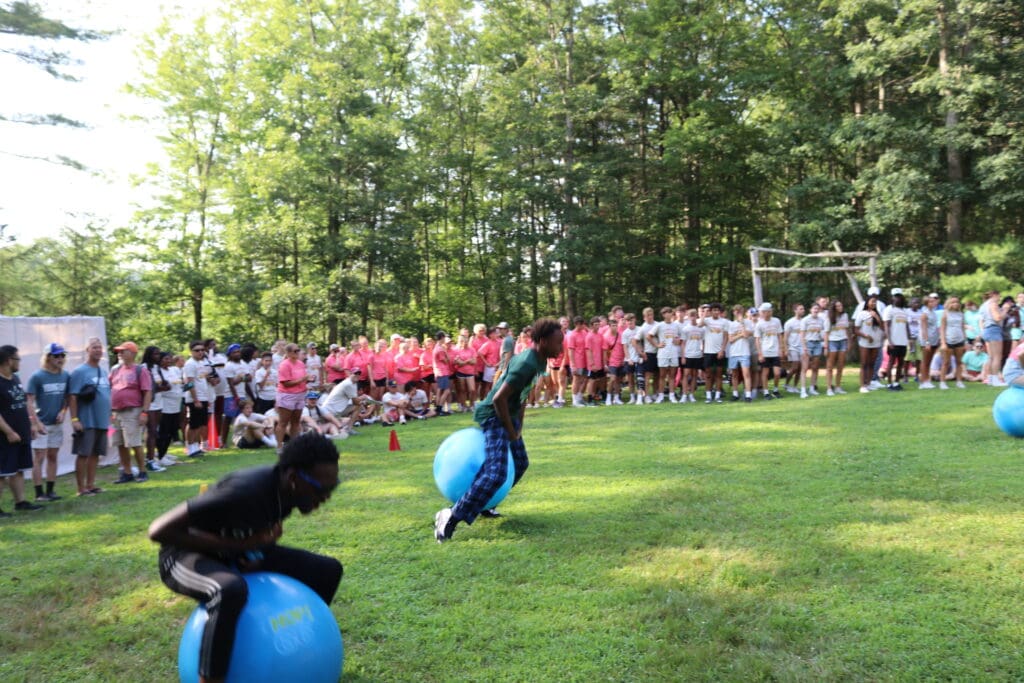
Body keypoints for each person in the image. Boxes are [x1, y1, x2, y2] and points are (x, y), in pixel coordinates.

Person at [149, 432, 343, 683]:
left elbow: (252, 534)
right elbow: (159, 530)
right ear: (294, 478)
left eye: (333, 487)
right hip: (183, 556)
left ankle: (309, 649)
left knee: (328, 570)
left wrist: (257, 550)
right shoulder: (244, 490)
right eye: (322, 489)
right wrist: (240, 545)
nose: (326, 497)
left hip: (239, 552)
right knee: (229, 590)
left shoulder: (289, 493)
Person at [434, 318, 564, 542]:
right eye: (557, 342)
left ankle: (485, 503)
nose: (561, 347)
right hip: (494, 416)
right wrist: (510, 429)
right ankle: (450, 516)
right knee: (496, 473)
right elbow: (498, 398)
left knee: (520, 463)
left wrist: (519, 423)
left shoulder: (539, 360)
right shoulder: (527, 363)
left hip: (508, 416)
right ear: (542, 341)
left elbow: (522, 394)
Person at [0, 345, 44, 515]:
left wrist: (32, 424)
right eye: (17, 359)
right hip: (6, 435)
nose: (19, 363)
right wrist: (8, 432)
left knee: (18, 469)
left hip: (22, 432)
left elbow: (24, 403)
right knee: (2, 472)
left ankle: (21, 502)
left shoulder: (15, 379)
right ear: (8, 360)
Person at [26, 343, 70, 501]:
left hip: (56, 424)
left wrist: (63, 412)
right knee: (39, 456)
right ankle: (39, 493)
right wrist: (35, 422)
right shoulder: (37, 376)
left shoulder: (65, 375)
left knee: (53, 455)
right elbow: (29, 402)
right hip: (42, 424)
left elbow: (67, 398)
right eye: (56, 356)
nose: (60, 359)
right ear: (48, 357)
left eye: (62, 355)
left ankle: (51, 490)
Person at [109, 341, 156, 483]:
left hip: (133, 411)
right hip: (115, 412)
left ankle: (142, 471)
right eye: (119, 351)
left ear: (133, 353)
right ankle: (127, 472)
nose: (120, 354)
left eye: (123, 351)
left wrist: (144, 412)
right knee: (119, 443)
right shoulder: (115, 369)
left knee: (134, 443)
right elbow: (110, 387)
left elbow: (147, 392)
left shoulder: (140, 370)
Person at [68, 337, 110, 496]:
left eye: (99, 347)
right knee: (83, 453)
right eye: (94, 347)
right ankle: (81, 489)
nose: (98, 350)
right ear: (87, 350)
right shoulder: (80, 371)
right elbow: (72, 396)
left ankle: (91, 485)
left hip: (102, 420)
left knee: (96, 453)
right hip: (87, 420)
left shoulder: (103, 371)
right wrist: (74, 419)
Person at [275, 343, 308, 449]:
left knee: (296, 421)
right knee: (283, 422)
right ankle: (279, 447)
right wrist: (302, 379)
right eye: (295, 351)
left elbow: (302, 378)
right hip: (287, 395)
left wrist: (308, 379)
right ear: (288, 353)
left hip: (300, 394)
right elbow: (286, 383)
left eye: (298, 350)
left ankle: (294, 446)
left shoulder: (300, 364)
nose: (298, 352)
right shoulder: (284, 365)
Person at [183, 341, 212, 458]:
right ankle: (190, 448)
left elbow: (202, 381)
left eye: (202, 350)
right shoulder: (190, 364)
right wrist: (196, 400)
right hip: (195, 398)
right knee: (194, 424)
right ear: (191, 352)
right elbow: (190, 383)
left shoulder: (201, 363)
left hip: (203, 397)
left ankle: (196, 446)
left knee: (200, 423)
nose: (200, 352)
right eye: (197, 350)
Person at [154, 352, 183, 467]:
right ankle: (160, 454)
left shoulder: (173, 370)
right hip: (165, 404)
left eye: (170, 358)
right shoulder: (158, 371)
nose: (169, 360)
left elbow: (179, 382)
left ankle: (164, 452)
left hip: (176, 403)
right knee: (164, 431)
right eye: (166, 359)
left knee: (172, 430)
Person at [855, 295, 884, 393]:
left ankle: (869, 383)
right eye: (872, 301)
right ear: (867, 303)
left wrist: (876, 317)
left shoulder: (877, 314)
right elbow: (856, 330)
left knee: (872, 364)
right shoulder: (862, 314)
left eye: (875, 302)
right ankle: (862, 385)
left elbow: (883, 327)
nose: (873, 303)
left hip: (876, 342)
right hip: (865, 342)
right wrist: (866, 336)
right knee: (864, 363)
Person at [754, 302, 783, 399]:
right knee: (765, 373)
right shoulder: (759, 324)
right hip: (765, 352)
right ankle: (766, 392)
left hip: (775, 352)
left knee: (777, 373)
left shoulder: (776, 321)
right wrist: (760, 354)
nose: (766, 313)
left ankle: (775, 390)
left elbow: (779, 335)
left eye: (769, 311)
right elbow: (757, 340)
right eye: (764, 312)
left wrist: (781, 348)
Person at [700, 303, 728, 403]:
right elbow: (699, 324)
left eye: (717, 310)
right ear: (711, 312)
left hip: (719, 352)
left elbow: (725, 337)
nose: (716, 312)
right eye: (713, 310)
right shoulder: (707, 321)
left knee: (719, 375)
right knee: (708, 375)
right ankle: (708, 396)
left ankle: (717, 396)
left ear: (720, 312)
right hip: (708, 352)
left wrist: (722, 350)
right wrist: (704, 314)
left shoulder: (724, 322)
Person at [939, 296, 968, 389]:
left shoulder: (961, 314)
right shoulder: (945, 314)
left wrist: (965, 340)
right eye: (953, 302)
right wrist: (943, 342)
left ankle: (959, 381)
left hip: (959, 340)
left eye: (957, 302)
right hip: (948, 340)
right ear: (949, 304)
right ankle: (942, 382)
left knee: (959, 362)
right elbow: (942, 329)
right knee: (946, 362)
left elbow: (962, 328)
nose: (955, 304)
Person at [727, 305, 754, 402]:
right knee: (734, 374)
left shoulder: (748, 322)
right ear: (733, 312)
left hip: (744, 352)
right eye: (735, 311)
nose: (737, 313)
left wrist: (742, 324)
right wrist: (740, 335)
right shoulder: (731, 324)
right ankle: (735, 394)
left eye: (739, 311)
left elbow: (747, 335)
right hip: (734, 352)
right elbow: (730, 340)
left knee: (746, 373)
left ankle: (748, 395)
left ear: (742, 312)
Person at [980, 290, 1006, 386]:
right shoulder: (993, 304)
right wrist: (1005, 310)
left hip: (987, 330)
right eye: (999, 296)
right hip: (994, 329)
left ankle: (990, 379)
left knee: (991, 357)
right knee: (997, 356)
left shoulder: (984, 305)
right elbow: (997, 318)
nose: (1000, 298)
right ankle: (995, 380)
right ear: (995, 295)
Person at [824, 300, 849, 395]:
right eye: (838, 306)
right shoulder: (829, 318)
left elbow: (846, 329)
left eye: (841, 305)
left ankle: (838, 387)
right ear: (834, 308)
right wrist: (826, 347)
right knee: (830, 366)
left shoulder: (845, 315)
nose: (840, 307)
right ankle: (829, 388)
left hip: (843, 341)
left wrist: (848, 342)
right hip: (832, 342)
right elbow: (826, 333)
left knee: (840, 366)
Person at [679, 309, 704, 404]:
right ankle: (684, 395)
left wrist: (702, 352)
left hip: (697, 355)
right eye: (691, 316)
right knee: (685, 375)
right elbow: (683, 344)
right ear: (688, 317)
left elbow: (703, 341)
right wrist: (683, 356)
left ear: (696, 316)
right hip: (688, 355)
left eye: (694, 315)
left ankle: (691, 395)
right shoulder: (685, 329)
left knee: (694, 375)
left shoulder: (701, 329)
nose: (693, 317)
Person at [917, 293, 940, 389]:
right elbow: (924, 329)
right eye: (931, 301)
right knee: (925, 361)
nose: (934, 302)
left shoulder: (933, 313)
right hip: (927, 340)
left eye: (934, 301)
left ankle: (927, 379)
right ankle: (923, 381)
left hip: (934, 339)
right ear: (927, 303)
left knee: (929, 361)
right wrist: (927, 342)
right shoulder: (924, 314)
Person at [783, 303, 805, 395]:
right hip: (793, 347)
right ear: (795, 310)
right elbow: (785, 337)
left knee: (800, 368)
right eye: (800, 309)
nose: (803, 310)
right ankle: (786, 384)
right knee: (795, 366)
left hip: (802, 347)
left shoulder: (804, 321)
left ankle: (795, 386)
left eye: (803, 309)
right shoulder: (789, 322)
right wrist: (786, 348)